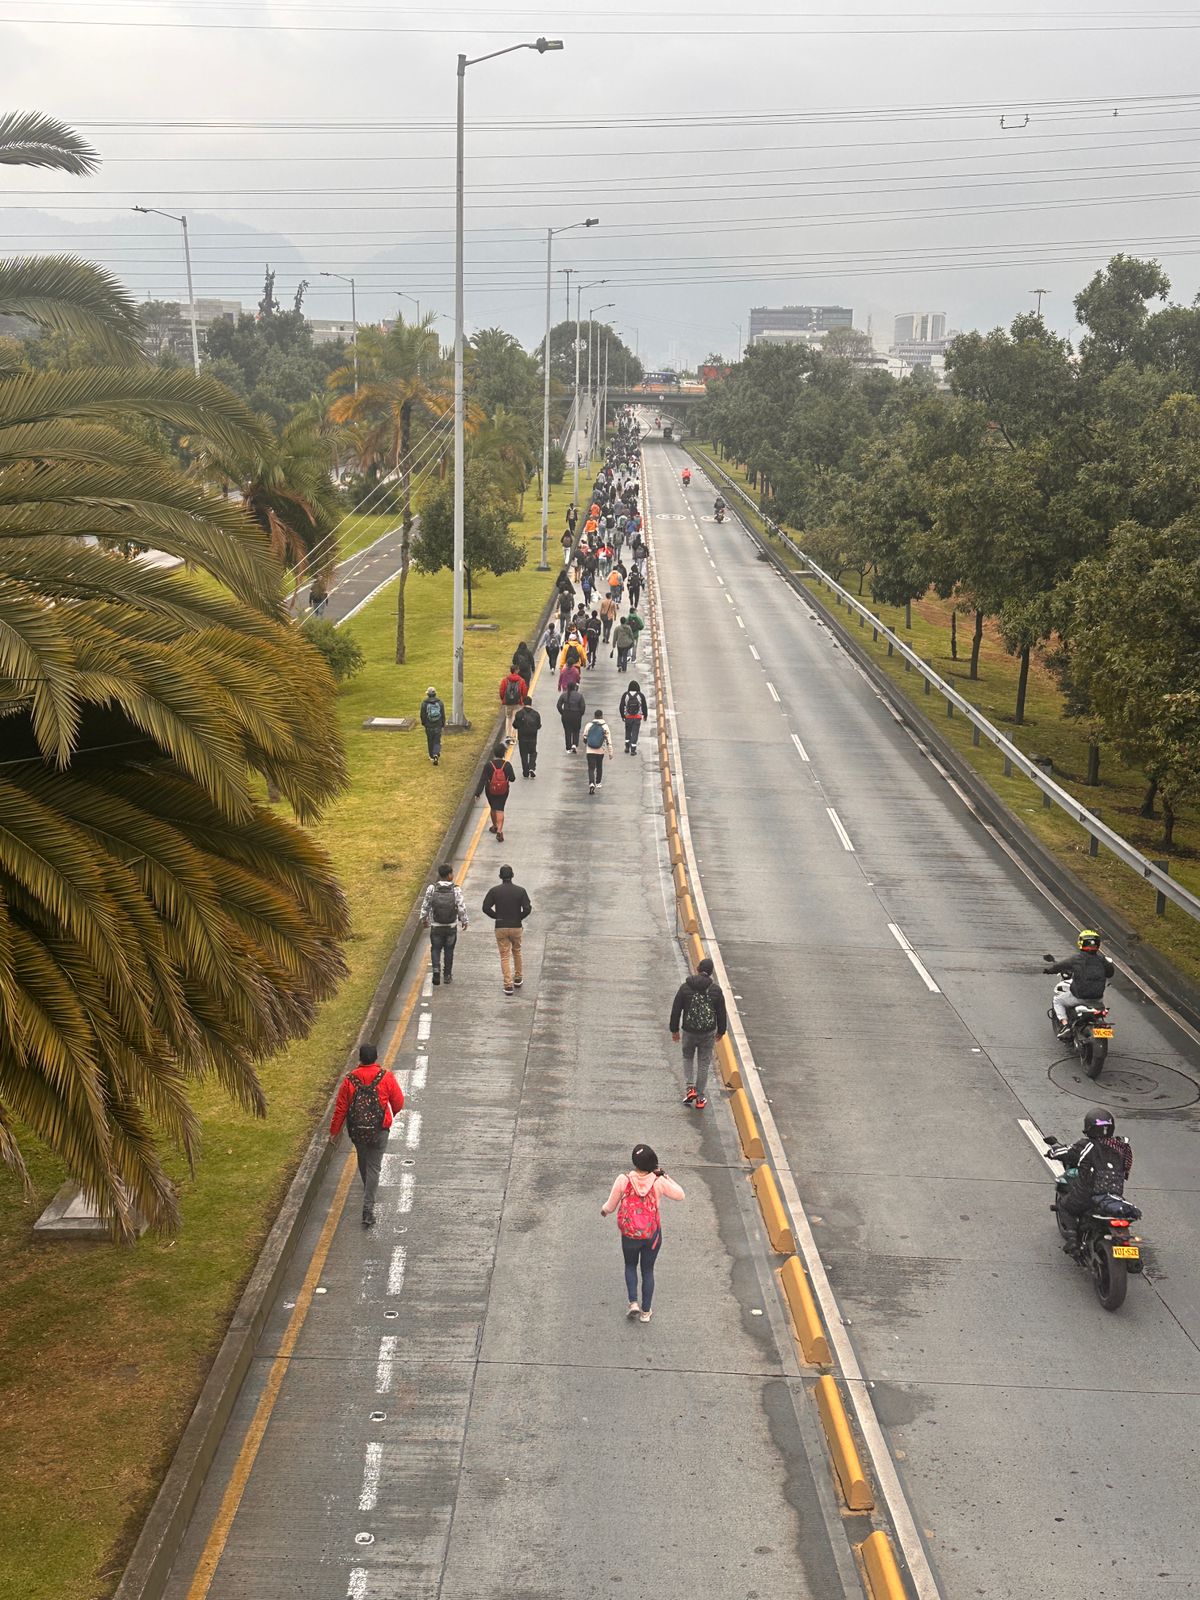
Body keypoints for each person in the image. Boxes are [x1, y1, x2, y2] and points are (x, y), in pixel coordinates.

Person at [600, 1143, 685, 1322]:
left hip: (629, 1234)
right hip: (651, 1235)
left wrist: (604, 1211)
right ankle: (646, 1312)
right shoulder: (658, 1181)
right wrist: (665, 1176)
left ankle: (633, 1303)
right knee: (648, 1270)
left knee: (630, 1265)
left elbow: (610, 1205)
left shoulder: (623, 1180)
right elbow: (680, 1195)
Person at [329, 1042, 405, 1227]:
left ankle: (367, 1188)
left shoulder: (350, 1079)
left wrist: (334, 1132)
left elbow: (341, 1108)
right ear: (376, 1057)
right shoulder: (386, 1077)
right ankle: (368, 1208)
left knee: (363, 1160)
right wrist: (390, 1115)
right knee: (374, 1167)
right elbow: (398, 1102)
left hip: (357, 1130)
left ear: (360, 1058)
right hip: (380, 1130)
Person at [1057, 1108, 1134, 1254]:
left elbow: (1067, 1153)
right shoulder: (1121, 1146)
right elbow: (1126, 1168)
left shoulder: (1087, 1145)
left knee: (1064, 1205)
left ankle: (1073, 1238)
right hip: (1114, 1195)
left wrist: (1052, 1151)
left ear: (1088, 1127)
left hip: (1088, 1195)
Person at [669, 957, 728, 1111]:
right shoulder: (715, 990)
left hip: (689, 1031)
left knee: (687, 1057)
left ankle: (690, 1088)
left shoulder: (685, 987)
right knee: (703, 1063)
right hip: (707, 1033)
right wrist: (721, 1031)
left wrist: (674, 1029)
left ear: (697, 968)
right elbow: (721, 1012)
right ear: (711, 972)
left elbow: (676, 1009)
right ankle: (700, 1097)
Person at [1044, 930, 1115, 1040]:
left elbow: (1059, 966)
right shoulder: (1103, 960)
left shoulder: (1077, 958)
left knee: (1057, 1000)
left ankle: (1065, 1025)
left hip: (1079, 998)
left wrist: (1048, 970)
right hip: (1098, 1000)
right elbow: (1110, 973)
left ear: (1081, 942)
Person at [481, 863, 532, 996]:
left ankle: (508, 985)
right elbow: (527, 908)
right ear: (513, 875)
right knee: (517, 951)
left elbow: (486, 907)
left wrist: (497, 916)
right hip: (516, 926)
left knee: (504, 955)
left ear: (500, 876)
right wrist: (518, 917)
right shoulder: (520, 891)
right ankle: (518, 977)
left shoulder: (494, 891)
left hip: (501, 926)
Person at [419, 863, 469, 986]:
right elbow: (461, 907)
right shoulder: (456, 890)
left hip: (436, 925)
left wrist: (424, 919)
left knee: (435, 949)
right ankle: (447, 975)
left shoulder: (432, 888)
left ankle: (436, 969)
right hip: (451, 926)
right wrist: (464, 920)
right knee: (449, 950)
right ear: (449, 875)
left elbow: (426, 905)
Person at [476, 743, 515, 841]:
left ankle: (494, 826)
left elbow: (483, 779)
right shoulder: (507, 765)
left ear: (494, 753)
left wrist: (477, 793)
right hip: (503, 791)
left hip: (490, 790)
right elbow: (513, 778)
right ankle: (500, 831)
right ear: (504, 753)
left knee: (493, 807)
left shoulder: (489, 765)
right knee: (500, 809)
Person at [584, 708, 613, 794]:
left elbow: (585, 737)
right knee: (599, 766)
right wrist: (610, 753)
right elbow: (609, 741)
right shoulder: (605, 726)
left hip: (590, 750)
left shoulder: (589, 725)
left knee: (591, 768)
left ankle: (591, 783)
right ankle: (598, 782)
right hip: (600, 750)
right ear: (602, 716)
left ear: (594, 716)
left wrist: (588, 742)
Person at [514, 694, 541, 778]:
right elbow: (539, 726)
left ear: (523, 703)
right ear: (531, 703)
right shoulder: (536, 714)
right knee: (533, 752)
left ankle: (525, 772)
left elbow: (515, 725)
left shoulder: (519, 714)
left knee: (523, 754)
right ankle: (532, 767)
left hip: (522, 738)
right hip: (533, 737)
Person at [619, 679, 648, 753]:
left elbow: (621, 706)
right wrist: (645, 715)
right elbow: (644, 706)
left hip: (628, 717)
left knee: (628, 731)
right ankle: (633, 749)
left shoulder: (625, 695)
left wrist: (623, 716)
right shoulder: (640, 695)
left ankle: (627, 747)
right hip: (637, 717)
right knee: (635, 732)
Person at [499, 666, 528, 738]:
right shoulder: (521, 680)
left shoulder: (505, 680)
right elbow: (524, 692)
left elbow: (501, 691)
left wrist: (504, 699)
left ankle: (508, 735)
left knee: (508, 718)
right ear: (517, 671)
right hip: (518, 702)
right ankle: (513, 735)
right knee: (515, 718)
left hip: (508, 702)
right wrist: (523, 700)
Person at [419, 685, 446, 765]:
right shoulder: (440, 703)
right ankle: (436, 754)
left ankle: (431, 756)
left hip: (429, 726)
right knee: (437, 740)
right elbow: (443, 714)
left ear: (428, 694)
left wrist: (424, 723)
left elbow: (422, 715)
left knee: (430, 740)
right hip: (438, 725)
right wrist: (442, 724)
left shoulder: (424, 703)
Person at [558, 680, 586, 752]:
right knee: (576, 730)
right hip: (576, 714)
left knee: (567, 731)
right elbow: (583, 707)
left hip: (566, 714)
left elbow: (558, 705)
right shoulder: (579, 696)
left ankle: (568, 747)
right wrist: (580, 714)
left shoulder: (564, 695)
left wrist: (563, 713)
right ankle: (574, 744)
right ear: (575, 687)